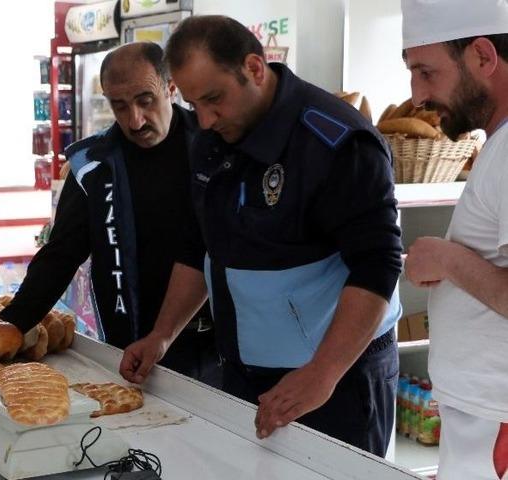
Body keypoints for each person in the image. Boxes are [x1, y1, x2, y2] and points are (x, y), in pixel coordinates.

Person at [120, 16, 403, 457]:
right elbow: (200, 244)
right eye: (195, 105)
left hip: (336, 378)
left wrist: (322, 374)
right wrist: (162, 335)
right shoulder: (210, 140)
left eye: (214, 99)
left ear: (254, 68)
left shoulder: (334, 142)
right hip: (245, 371)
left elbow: (379, 263)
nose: (207, 119)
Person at [0, 42, 222, 387]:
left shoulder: (215, 148)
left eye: (145, 101)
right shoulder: (94, 166)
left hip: (218, 345)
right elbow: (60, 256)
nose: (135, 119)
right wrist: (9, 326)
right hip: (134, 347)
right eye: (119, 106)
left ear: (171, 87)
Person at [401, 1, 508, 478]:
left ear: (483, 57)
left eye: (426, 71)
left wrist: (443, 257)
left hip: (497, 421)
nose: (417, 94)